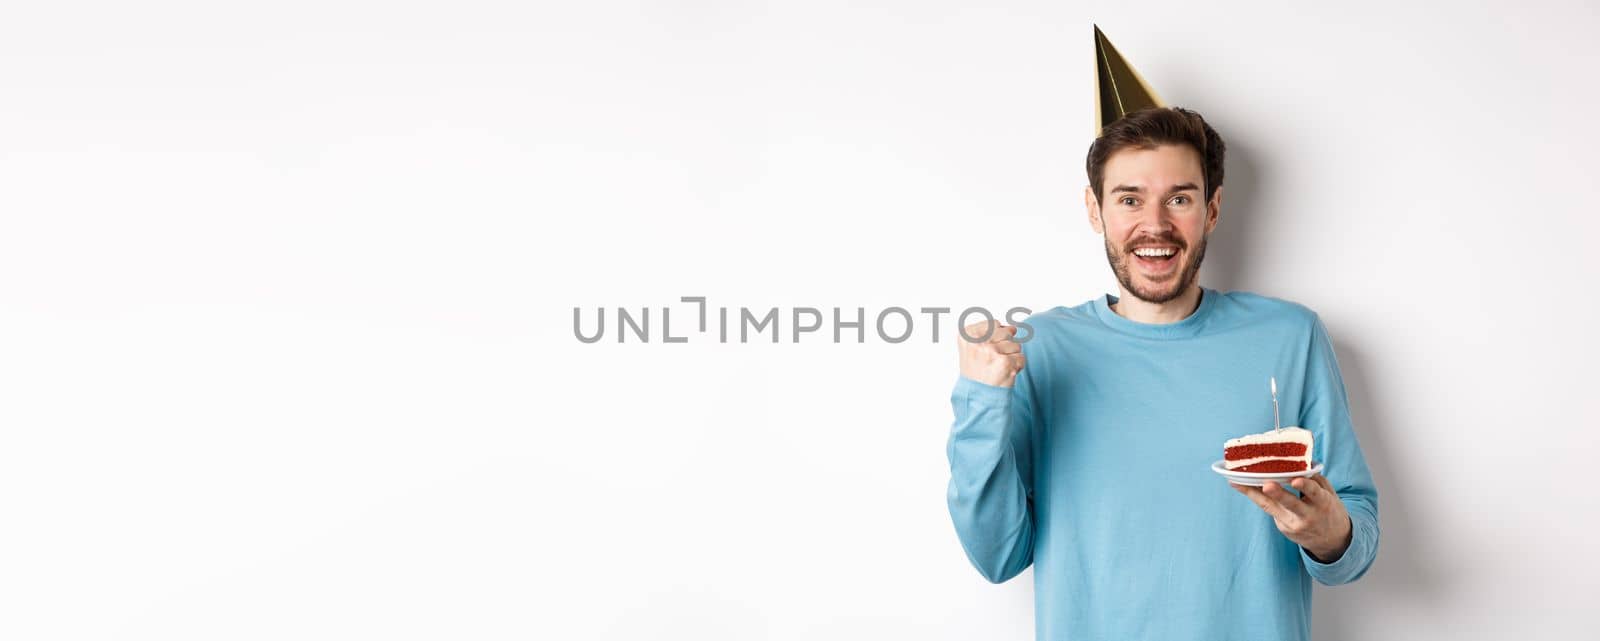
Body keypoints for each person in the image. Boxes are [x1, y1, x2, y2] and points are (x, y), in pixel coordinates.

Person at [945, 106, 1379, 640]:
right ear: (1094, 209)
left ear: (1212, 209)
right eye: (1130, 199)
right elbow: (997, 557)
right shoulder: (1041, 350)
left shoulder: (1290, 337)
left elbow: (1355, 545)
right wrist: (980, 400)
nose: (1155, 225)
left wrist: (1330, 532)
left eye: (1179, 199)